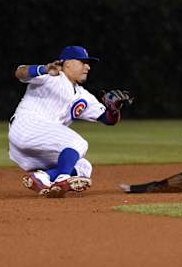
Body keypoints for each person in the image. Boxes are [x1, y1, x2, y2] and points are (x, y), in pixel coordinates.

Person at [9, 46, 133, 198]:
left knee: (83, 167)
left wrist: (114, 109)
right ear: (67, 63)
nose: (87, 67)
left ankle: (42, 177)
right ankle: (62, 179)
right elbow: (20, 72)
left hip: (37, 145)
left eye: (88, 64)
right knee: (77, 143)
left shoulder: (83, 95)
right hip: (26, 126)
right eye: (83, 62)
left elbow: (108, 119)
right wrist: (45, 68)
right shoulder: (50, 76)